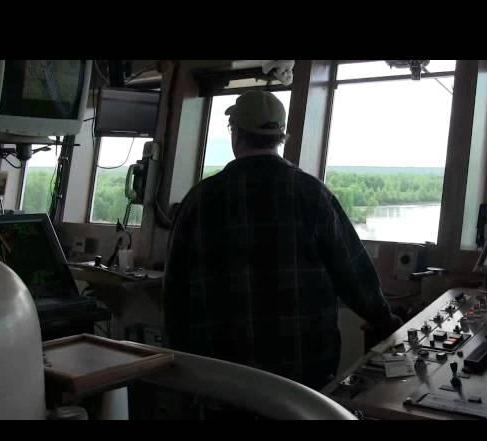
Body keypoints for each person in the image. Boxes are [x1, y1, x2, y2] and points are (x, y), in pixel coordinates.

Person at [164, 90, 401, 390]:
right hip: (302, 379)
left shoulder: (197, 200)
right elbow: (354, 275)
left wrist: (178, 369)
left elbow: (175, 297)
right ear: (281, 137)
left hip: (220, 379)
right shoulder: (313, 195)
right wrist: (387, 322)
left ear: (235, 133)